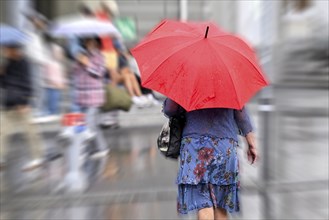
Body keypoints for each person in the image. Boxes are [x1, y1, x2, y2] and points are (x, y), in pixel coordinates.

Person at [163, 99, 258, 220]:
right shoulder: (228, 82)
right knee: (220, 205)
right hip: (224, 145)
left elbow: (170, 109)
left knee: (203, 203)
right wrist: (251, 142)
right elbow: (241, 113)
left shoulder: (186, 80)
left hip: (195, 146)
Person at [0, 44, 45, 171]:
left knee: (30, 131)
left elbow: (28, 84)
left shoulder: (24, 63)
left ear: (14, 49)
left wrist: (24, 101)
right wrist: (1, 74)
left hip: (21, 104)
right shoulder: (7, 63)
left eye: (6, 48)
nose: (4, 51)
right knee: (2, 131)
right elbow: (4, 84)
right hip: (9, 103)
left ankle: (37, 158)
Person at [72, 37, 109, 158]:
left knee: (89, 124)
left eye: (92, 42)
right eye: (87, 42)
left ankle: (90, 149)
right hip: (82, 96)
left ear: (97, 44)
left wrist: (88, 64)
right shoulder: (82, 55)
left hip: (94, 96)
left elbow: (99, 73)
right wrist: (78, 63)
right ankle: (99, 148)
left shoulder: (99, 57)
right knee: (90, 125)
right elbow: (76, 73)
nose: (89, 44)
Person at [43, 34, 66, 116]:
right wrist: (57, 84)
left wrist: (63, 83)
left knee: (56, 102)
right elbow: (48, 76)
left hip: (58, 87)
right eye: (59, 53)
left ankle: (54, 113)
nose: (61, 55)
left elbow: (61, 76)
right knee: (52, 102)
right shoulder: (49, 63)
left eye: (61, 54)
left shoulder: (59, 64)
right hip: (51, 87)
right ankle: (51, 113)